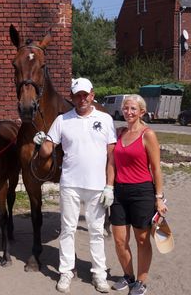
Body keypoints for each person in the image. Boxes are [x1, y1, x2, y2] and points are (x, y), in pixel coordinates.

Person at [34, 78, 116, 293]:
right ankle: (66, 272)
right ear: (72, 97)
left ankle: (99, 274)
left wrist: (110, 185)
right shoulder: (62, 120)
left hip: (97, 186)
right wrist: (41, 142)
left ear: (92, 94)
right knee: (67, 230)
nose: (82, 99)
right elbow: (47, 150)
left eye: (85, 95)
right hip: (70, 184)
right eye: (77, 95)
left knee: (97, 231)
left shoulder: (105, 119)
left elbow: (111, 157)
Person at [109, 94, 168, 295]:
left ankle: (141, 281)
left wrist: (158, 198)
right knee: (119, 240)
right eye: (126, 108)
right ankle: (128, 276)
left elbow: (156, 168)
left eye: (133, 108)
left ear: (142, 112)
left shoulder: (147, 134)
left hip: (142, 192)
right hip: (119, 192)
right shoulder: (119, 133)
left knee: (142, 239)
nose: (128, 112)